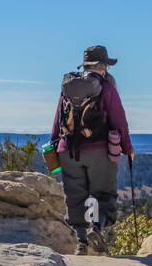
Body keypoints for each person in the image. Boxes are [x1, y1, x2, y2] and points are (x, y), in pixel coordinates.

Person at [51, 44, 134, 254]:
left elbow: (58, 119)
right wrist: (127, 147)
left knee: (75, 195)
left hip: (67, 148)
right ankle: (96, 228)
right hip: (99, 150)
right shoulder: (106, 87)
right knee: (103, 193)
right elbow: (119, 120)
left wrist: (54, 144)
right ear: (104, 65)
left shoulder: (68, 85)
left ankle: (81, 243)